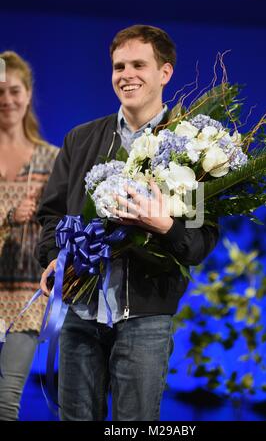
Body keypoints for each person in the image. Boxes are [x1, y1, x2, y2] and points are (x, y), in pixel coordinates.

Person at [36, 25, 219, 421]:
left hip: (145, 321)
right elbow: (51, 214)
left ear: (165, 73)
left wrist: (164, 225)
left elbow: (199, 242)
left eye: (139, 64)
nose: (126, 74)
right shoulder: (81, 139)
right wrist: (54, 256)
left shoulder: (195, 150)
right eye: (119, 66)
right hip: (80, 317)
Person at [0, 51, 59, 421]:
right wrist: (8, 215)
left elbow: (63, 224)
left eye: (14, 90)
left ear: (28, 93)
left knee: (7, 399)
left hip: (24, 295)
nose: (7, 100)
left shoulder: (51, 159)